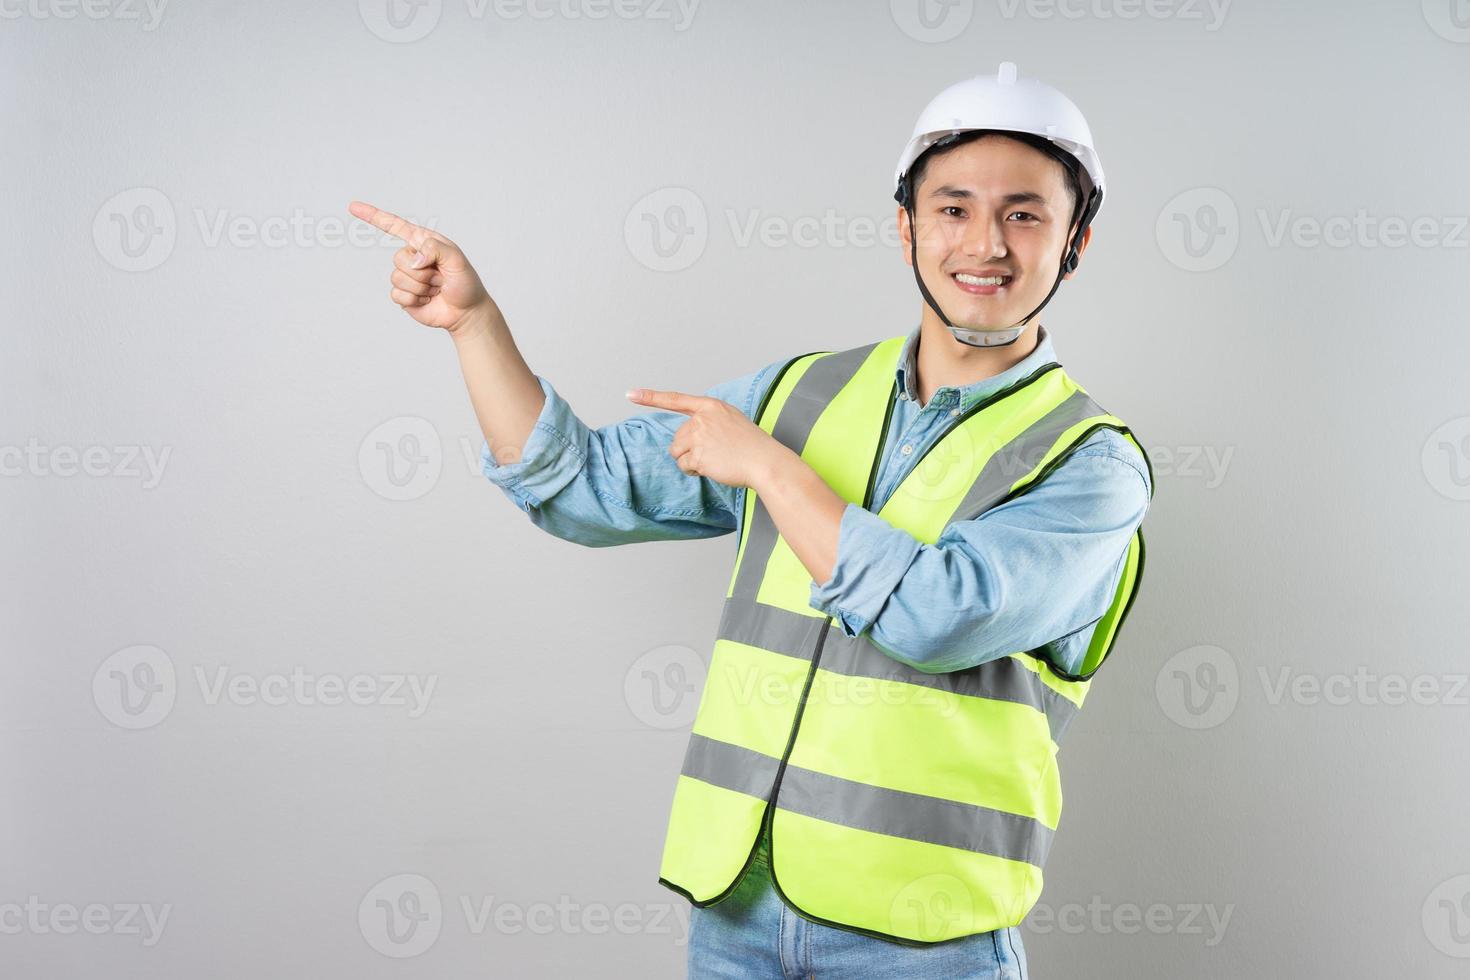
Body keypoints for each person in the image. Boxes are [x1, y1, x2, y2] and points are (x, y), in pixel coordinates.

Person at [348, 61, 1152, 980]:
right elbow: (580, 488)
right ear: (906, 227)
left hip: (925, 943)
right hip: (737, 914)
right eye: (954, 207)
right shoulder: (803, 394)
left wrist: (770, 468)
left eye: (1025, 213)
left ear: (1076, 241)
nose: (985, 244)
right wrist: (474, 323)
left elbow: (940, 615)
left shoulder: (1088, 464)